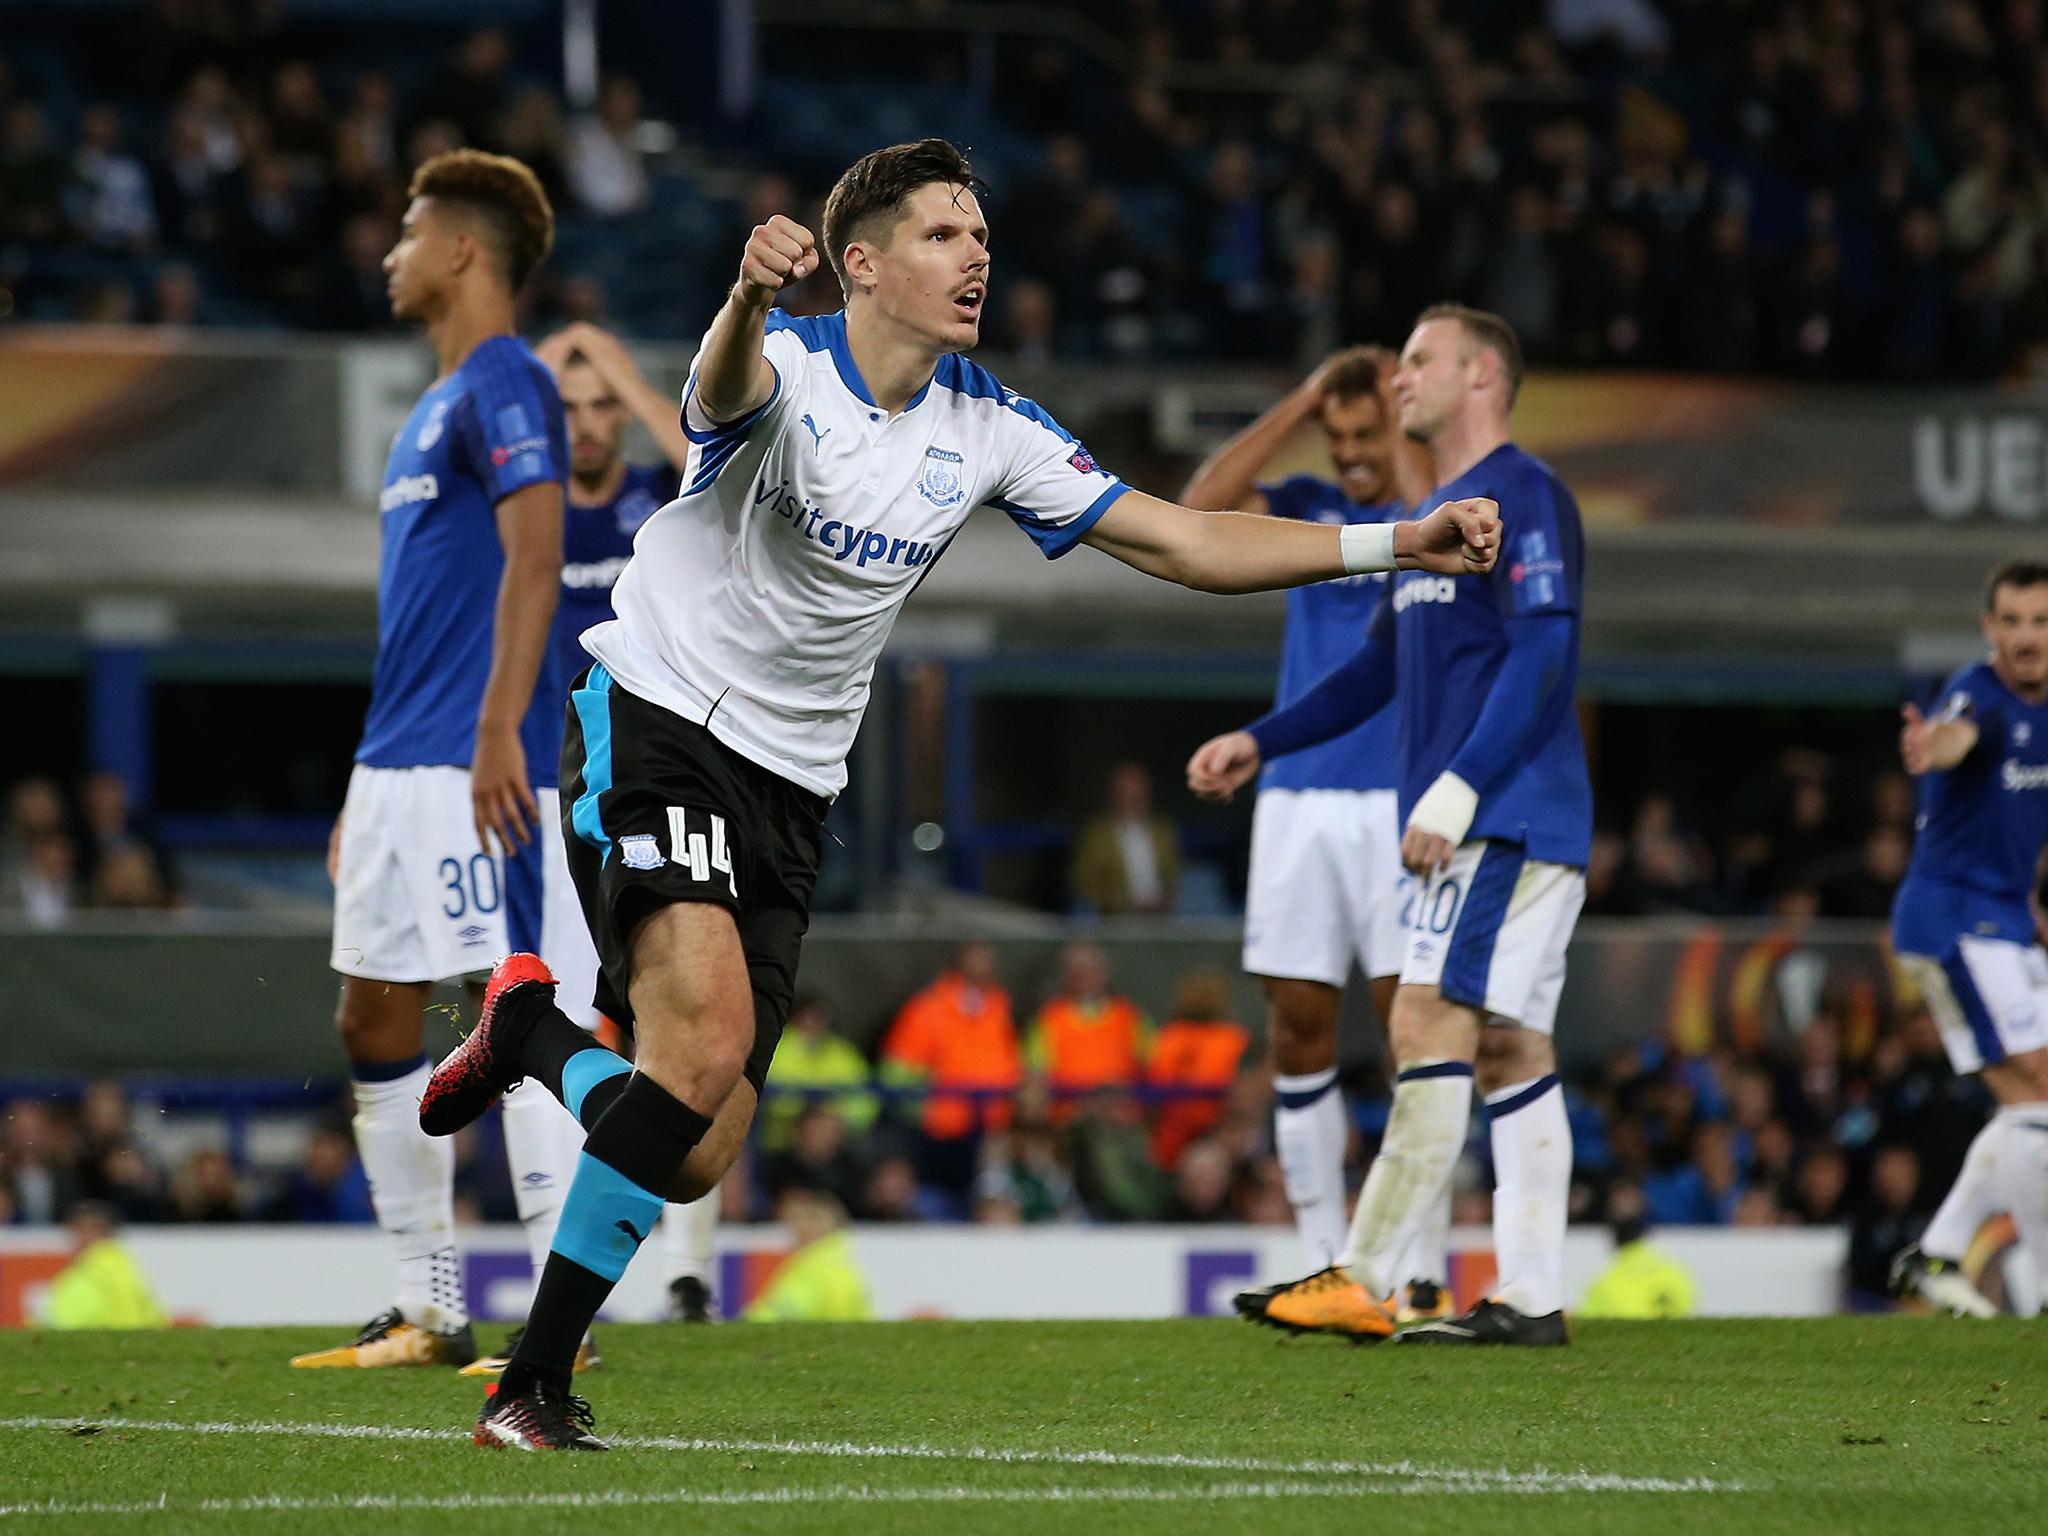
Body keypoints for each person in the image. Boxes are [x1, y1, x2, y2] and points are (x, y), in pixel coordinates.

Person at [419, 138, 1499, 1449]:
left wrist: (1402, 541)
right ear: (859, 263)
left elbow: (1188, 539)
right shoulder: (791, 362)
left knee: (699, 1147)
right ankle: (530, 1384)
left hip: (794, 788)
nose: (975, 252)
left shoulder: (986, 424)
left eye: (981, 233)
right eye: (942, 233)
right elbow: (720, 389)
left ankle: (527, 1031)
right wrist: (747, 296)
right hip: (658, 718)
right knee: (695, 1060)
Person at [1191, 304, 1589, 1346]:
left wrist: (1457, 790)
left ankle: (1363, 1273)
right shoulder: (1444, 516)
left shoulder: (1524, 493)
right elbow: (1375, 669)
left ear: (1483, 376)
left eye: (1420, 361)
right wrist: (1260, 742)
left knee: (1424, 1022)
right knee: (1507, 1048)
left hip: (1503, 816)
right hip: (1489, 818)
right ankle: (1529, 1297)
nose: (1399, 377)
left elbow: (1544, 654)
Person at [293, 150, 585, 1373]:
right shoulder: (433, 401)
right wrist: (364, 785)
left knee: (515, 1017)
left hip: (479, 768)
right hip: (397, 769)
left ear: (464, 250)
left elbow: (537, 561)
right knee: (373, 1012)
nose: (389, 252)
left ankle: (556, 1334)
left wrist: (495, 736)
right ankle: (429, 1303)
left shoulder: (508, 378)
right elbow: (424, 612)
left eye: (408, 233)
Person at [1179, 343, 1453, 1324]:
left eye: (1362, 432)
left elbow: (1431, 503)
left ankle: (1418, 1262)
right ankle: (1321, 1260)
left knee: (1408, 1033)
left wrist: (1397, 413)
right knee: (1296, 1028)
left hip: (1394, 800)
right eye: (1333, 438)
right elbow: (1201, 504)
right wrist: (1296, 400)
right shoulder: (1303, 504)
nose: (1347, 455)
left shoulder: (1428, 507)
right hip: (1294, 800)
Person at [529, 318, 720, 1330]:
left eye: (602, 406)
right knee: (570, 1014)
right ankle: (573, 1257)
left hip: (657, 773)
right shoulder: (530, 516)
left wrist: (615, 362)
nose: (589, 425)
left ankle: (687, 1269)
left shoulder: (654, 503)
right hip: (551, 789)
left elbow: (706, 453)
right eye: (569, 409)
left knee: (679, 1016)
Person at [1887, 560, 2048, 1318]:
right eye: (2012, 621)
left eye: (2041, 621)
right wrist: (1935, 746)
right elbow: (1957, 735)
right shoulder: (1976, 692)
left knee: (2026, 1100)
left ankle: (1939, 1253)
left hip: (2004, 921)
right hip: (1952, 921)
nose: (2026, 637)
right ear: (1989, 630)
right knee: (2037, 1086)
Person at [880, 941, 1022, 1197]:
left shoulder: (999, 1007)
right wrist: (924, 1112)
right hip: (938, 1131)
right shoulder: (928, 1007)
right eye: (976, 959)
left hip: (992, 1129)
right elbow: (897, 1070)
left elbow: (1010, 1062)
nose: (983, 967)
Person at [1023, 941, 1148, 1121]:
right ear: (1065, 975)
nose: (1084, 977)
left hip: (1120, 1122)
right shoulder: (1047, 1020)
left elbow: (1153, 1068)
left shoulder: (1130, 1018)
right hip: (1069, 1124)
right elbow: (1035, 1076)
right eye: (1076, 971)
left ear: (1103, 973)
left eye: (1090, 969)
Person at [1069, 762, 1180, 915]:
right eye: (1125, 792)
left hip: (1162, 918)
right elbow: (1083, 884)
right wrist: (1126, 902)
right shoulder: (1097, 835)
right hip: (1115, 920)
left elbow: (1174, 874)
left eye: (1138, 792)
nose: (1131, 798)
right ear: (1113, 794)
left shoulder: (1162, 831)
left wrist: (1164, 902)